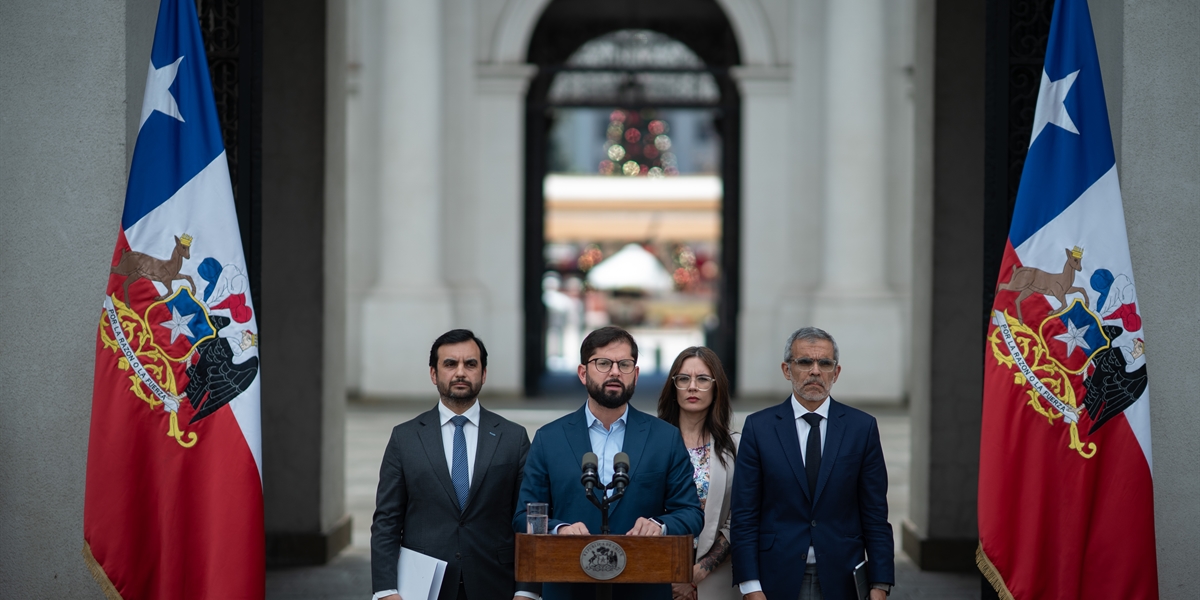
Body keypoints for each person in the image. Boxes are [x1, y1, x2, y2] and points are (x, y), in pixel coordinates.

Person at [514, 326, 704, 600]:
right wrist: (560, 530)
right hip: (569, 589)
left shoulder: (664, 438)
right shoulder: (548, 438)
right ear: (583, 373)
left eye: (624, 364)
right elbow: (524, 517)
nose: (615, 372)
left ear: (635, 375)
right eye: (603, 363)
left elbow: (690, 513)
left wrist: (659, 526)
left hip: (643, 589)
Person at [730, 327, 894, 600]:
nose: (815, 371)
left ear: (836, 373)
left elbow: (875, 514)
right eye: (805, 362)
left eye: (825, 363)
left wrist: (880, 584)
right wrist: (750, 586)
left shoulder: (861, 428)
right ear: (787, 369)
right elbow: (745, 513)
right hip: (775, 578)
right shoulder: (759, 428)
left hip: (843, 577)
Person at [371, 330, 535, 600]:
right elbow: (387, 521)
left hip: (496, 585)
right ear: (434, 374)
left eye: (470, 364)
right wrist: (386, 590)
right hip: (422, 588)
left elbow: (527, 519)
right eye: (450, 364)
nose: (461, 372)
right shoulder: (405, 438)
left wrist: (527, 591)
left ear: (483, 374)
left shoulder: (513, 438)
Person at [656, 347, 741, 600]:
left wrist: (696, 575)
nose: (692, 387)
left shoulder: (736, 447)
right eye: (684, 379)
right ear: (674, 387)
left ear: (716, 388)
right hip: (657, 577)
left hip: (715, 581)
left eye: (703, 379)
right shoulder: (651, 442)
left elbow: (739, 518)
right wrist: (673, 577)